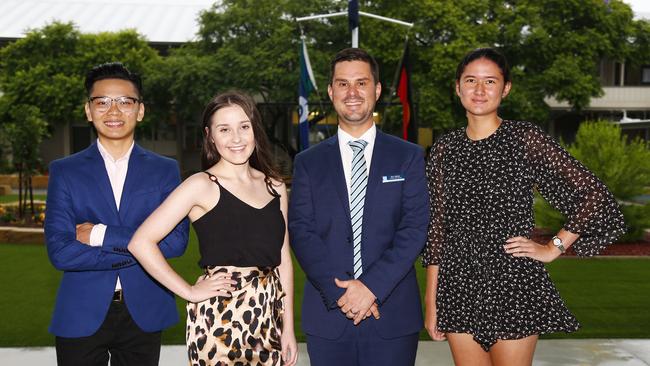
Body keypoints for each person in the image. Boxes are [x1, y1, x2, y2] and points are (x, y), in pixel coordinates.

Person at [422, 47, 626, 366]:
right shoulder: (444, 150)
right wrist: (431, 301)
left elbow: (592, 193)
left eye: (490, 81)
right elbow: (436, 230)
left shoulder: (524, 138)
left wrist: (554, 246)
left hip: (513, 283)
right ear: (457, 86)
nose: (479, 90)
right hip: (458, 285)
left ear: (506, 88)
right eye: (470, 80)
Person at [127, 91, 298, 366]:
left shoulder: (275, 186)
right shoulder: (200, 185)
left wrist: (288, 328)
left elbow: (284, 261)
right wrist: (190, 292)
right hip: (220, 320)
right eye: (224, 129)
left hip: (269, 318)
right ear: (210, 136)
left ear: (255, 129)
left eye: (244, 127)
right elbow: (140, 242)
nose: (237, 138)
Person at [289, 48, 429, 366]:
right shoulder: (308, 163)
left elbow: (414, 228)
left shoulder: (407, 156)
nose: (352, 92)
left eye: (361, 83)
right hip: (329, 315)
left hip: (392, 315)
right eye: (342, 84)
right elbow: (301, 231)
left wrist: (370, 287)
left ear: (377, 90)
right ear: (331, 91)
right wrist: (342, 294)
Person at [44, 62, 189, 365]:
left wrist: (99, 234)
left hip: (145, 310)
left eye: (125, 102)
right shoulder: (64, 171)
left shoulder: (165, 170)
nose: (114, 111)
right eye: (102, 102)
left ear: (140, 110)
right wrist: (144, 250)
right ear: (88, 110)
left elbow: (176, 243)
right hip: (80, 310)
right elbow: (61, 252)